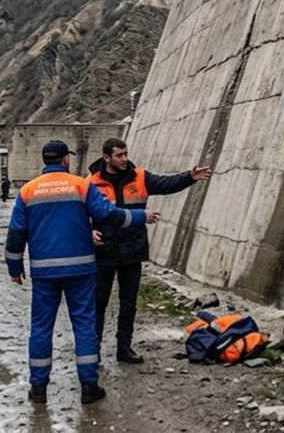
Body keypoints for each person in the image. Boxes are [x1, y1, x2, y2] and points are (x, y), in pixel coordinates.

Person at [6, 140, 158, 405]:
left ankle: (39, 389)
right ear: (65, 160)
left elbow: (16, 233)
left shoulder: (27, 191)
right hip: (81, 270)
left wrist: (15, 267)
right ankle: (89, 387)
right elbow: (110, 215)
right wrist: (140, 216)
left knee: (41, 328)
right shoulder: (81, 185)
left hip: (44, 273)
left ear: (44, 160)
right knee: (85, 325)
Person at [88, 138, 211, 364]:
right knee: (98, 303)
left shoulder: (140, 177)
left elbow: (166, 184)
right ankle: (92, 351)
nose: (124, 159)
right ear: (106, 157)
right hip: (104, 252)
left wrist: (189, 177)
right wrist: (88, 230)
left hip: (132, 251)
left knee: (129, 303)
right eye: (119, 155)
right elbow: (78, 211)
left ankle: (124, 348)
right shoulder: (91, 182)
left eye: (126, 154)